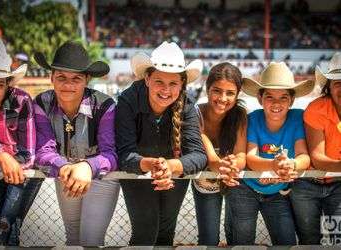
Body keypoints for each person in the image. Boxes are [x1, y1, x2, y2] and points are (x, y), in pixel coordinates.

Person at [115, 41, 207, 246]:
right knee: (145, 231)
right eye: (159, 81)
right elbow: (124, 153)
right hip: (137, 170)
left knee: (166, 232)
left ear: (182, 84)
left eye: (173, 83)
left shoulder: (187, 106)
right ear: (147, 79)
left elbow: (199, 155)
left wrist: (170, 166)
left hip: (174, 171)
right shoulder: (128, 101)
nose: (166, 90)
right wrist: (153, 165)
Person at [34, 41, 119, 246]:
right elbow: (42, 151)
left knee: (91, 240)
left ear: (87, 80)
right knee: (72, 236)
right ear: (51, 77)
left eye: (76, 79)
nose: (68, 85)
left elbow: (111, 154)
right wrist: (64, 166)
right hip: (65, 173)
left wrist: (87, 166)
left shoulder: (105, 105)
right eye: (61, 77)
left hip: (101, 177)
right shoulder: (41, 103)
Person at [226, 62, 313, 245]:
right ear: (260, 98)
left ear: (291, 100)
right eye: (269, 97)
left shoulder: (297, 118)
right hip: (246, 189)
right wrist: (274, 166)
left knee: (286, 241)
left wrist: (291, 165)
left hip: (276, 193)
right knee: (243, 240)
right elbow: (250, 157)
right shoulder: (253, 119)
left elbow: (303, 155)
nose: (276, 103)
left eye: (283, 97)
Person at [0, 38, 41, 245]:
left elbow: (29, 155)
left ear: (8, 84)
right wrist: (1, 156)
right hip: (1, 169)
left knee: (8, 228)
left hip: (22, 174)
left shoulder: (21, 102)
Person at [191, 62, 247, 246]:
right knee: (209, 239)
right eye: (217, 90)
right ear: (207, 89)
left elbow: (241, 156)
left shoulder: (240, 116)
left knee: (238, 238)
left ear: (237, 94)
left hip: (235, 181)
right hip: (205, 184)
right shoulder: (194, 114)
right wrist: (225, 165)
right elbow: (212, 160)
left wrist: (233, 165)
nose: (223, 98)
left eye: (230, 93)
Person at [290, 52, 341, 245]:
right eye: (338, 83)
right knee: (310, 241)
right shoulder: (317, 109)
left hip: (337, 184)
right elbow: (318, 159)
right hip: (307, 184)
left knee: (338, 240)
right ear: (328, 87)